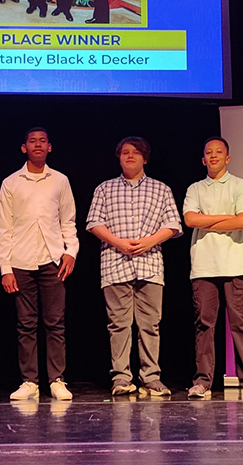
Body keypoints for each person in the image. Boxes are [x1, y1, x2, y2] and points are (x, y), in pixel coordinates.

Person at [86, 137, 181, 397]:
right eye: (125, 152)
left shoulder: (161, 189)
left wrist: (149, 242)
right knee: (119, 325)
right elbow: (94, 222)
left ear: (145, 159)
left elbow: (173, 224)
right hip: (115, 264)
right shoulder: (105, 189)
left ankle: (151, 377)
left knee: (150, 324)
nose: (130, 156)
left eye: (136, 152)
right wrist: (120, 244)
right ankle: (121, 378)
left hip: (150, 265)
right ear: (118, 158)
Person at [0, 127, 79, 401]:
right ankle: (29, 382)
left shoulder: (60, 180)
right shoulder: (11, 182)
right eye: (32, 141)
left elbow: (68, 220)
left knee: (55, 323)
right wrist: (5, 268)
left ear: (50, 147)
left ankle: (56, 379)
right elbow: (3, 227)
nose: (38, 145)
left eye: (43, 141)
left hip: (52, 259)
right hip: (21, 260)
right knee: (25, 324)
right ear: (24, 148)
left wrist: (71, 252)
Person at [182, 137, 243, 400]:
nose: (214, 156)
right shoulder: (195, 188)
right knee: (204, 325)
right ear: (203, 159)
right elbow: (190, 219)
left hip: (235, 265)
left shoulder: (240, 185)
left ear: (228, 158)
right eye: (209, 152)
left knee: (241, 325)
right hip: (204, 267)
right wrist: (226, 217)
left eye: (219, 152)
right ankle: (203, 381)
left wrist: (208, 222)